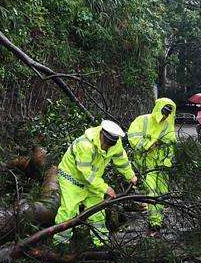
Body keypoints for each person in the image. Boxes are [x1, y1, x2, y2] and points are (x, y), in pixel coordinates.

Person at [53, 120, 138, 247]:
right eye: (106, 143)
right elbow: (86, 173)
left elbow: (121, 160)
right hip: (71, 179)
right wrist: (105, 188)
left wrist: (130, 175)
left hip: (94, 180)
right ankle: (60, 243)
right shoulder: (85, 145)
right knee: (68, 211)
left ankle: (100, 242)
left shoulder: (116, 144)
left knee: (98, 211)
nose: (107, 147)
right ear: (101, 135)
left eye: (110, 144)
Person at [127, 98, 177, 231]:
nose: (165, 115)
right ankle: (153, 222)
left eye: (168, 113)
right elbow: (133, 138)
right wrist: (149, 145)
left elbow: (171, 144)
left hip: (161, 165)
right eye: (164, 111)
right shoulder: (143, 120)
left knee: (162, 192)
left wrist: (168, 160)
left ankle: (157, 220)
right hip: (146, 164)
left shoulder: (167, 125)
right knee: (152, 191)